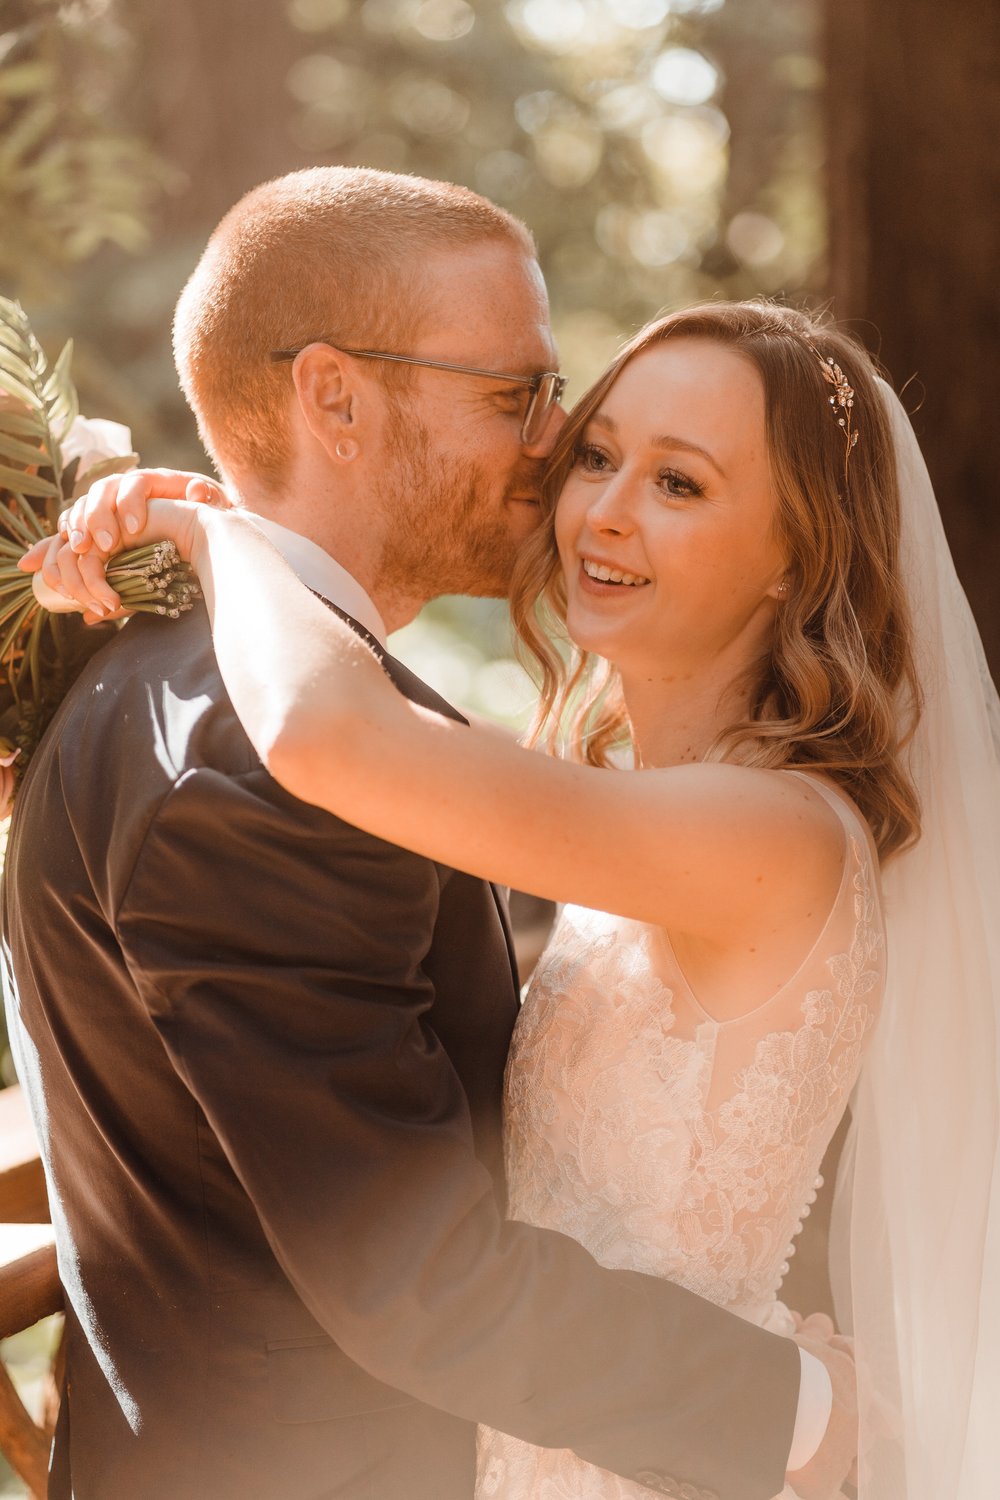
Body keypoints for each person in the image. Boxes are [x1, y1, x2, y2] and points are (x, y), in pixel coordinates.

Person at [41, 294, 1000, 1500]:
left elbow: (331, 735)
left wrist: (220, 536)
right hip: (553, 1439)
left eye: (681, 485)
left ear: (796, 559)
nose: (602, 508)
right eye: (598, 454)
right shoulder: (620, 797)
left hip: (646, 1457)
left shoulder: (772, 832)